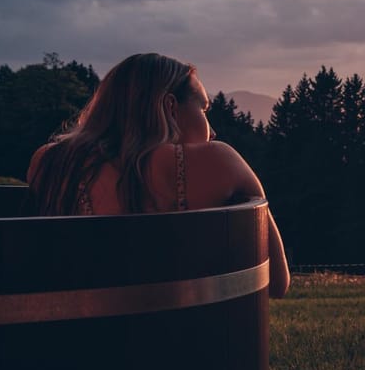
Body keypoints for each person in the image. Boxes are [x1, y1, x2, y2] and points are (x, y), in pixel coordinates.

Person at [27, 52, 289, 297]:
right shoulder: (218, 162)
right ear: (171, 107)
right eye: (204, 109)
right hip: (179, 340)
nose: (212, 131)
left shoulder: (48, 163)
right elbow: (277, 281)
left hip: (73, 338)